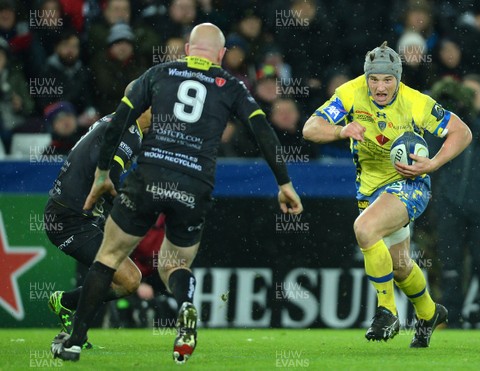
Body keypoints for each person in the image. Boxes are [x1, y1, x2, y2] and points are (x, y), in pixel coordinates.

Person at [51, 23, 303, 364]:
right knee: (176, 263)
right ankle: (186, 306)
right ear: (221, 54)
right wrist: (284, 182)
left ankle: (74, 341)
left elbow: (118, 120)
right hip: (195, 183)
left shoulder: (158, 74)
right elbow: (262, 130)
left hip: (151, 173)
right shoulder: (229, 84)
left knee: (108, 258)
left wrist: (102, 175)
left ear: (187, 48)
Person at [302, 41, 472, 347]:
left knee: (364, 229)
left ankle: (387, 311)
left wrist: (433, 163)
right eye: (374, 79)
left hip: (410, 183)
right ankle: (429, 312)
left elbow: (462, 131)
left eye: (388, 79)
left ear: (398, 78)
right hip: (371, 189)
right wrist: (341, 130)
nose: (380, 86)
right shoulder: (350, 93)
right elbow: (310, 128)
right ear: (366, 78)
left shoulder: (414, 101)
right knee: (400, 265)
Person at [44, 82, 151, 347]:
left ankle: (68, 309)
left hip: (79, 214)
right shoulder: (129, 132)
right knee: (127, 279)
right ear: (143, 107)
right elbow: (108, 179)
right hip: (69, 219)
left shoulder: (115, 121)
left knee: (130, 280)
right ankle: (72, 326)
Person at [430, 75, 480, 328]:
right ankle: (452, 320)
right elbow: (431, 144)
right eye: (466, 94)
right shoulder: (450, 122)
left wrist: (470, 118)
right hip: (450, 205)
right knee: (451, 266)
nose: (470, 99)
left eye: (474, 95)